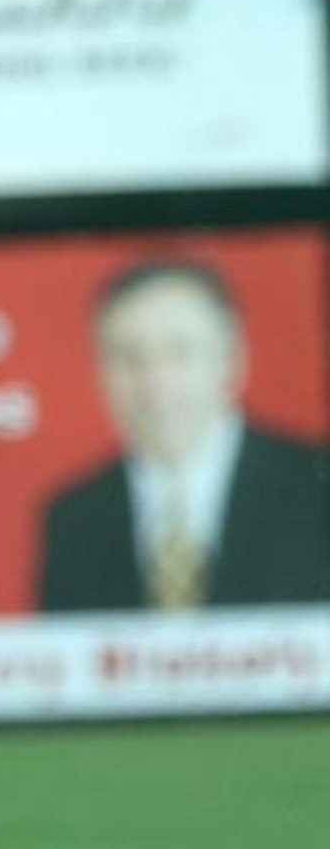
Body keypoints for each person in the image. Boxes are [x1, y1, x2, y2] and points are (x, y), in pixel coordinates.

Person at [37, 258, 329, 611]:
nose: (155, 381)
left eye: (180, 353)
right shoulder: (73, 518)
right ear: (100, 372)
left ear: (232, 359)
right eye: (129, 357)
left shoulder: (316, 488)